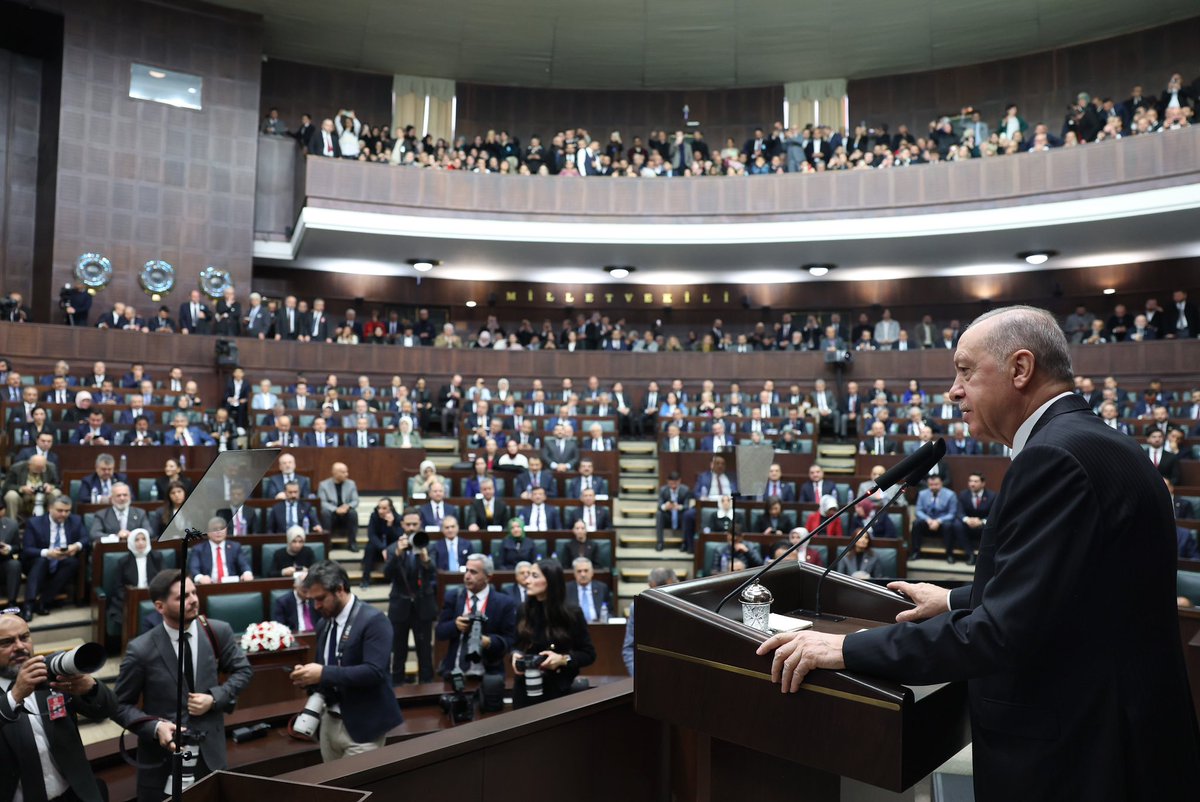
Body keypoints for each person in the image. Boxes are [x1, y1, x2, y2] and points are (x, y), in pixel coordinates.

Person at [758, 305, 1200, 802]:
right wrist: (952, 601)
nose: (953, 389)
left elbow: (1001, 634)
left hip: (1081, 756)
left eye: (966, 370)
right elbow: (1075, 590)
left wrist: (844, 648)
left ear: (1020, 369)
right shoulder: (1098, 442)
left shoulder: (1053, 459)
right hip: (1128, 736)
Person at [115, 570, 252, 801]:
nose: (193, 600)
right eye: (182, 597)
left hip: (210, 755)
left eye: (194, 592)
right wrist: (156, 727)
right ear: (160, 606)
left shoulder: (217, 631)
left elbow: (244, 670)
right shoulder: (141, 649)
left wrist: (215, 697)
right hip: (162, 760)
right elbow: (119, 705)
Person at [0, 611, 119, 802]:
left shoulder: (52, 674)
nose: (20, 647)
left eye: (24, 637)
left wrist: (91, 689)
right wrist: (15, 696)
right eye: (7, 642)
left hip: (75, 794)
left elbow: (106, 710)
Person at [290, 561, 401, 762]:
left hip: (363, 727)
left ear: (340, 589)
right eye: (312, 600)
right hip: (328, 722)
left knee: (358, 790)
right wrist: (308, 676)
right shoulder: (324, 623)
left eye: (321, 599)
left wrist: (323, 673)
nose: (316, 606)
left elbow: (375, 671)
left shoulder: (374, 620)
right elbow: (327, 667)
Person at [511, 559, 596, 707]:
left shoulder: (572, 613)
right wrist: (515, 654)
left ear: (550, 581)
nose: (527, 581)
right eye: (528, 575)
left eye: (534, 576)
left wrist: (562, 660)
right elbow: (515, 643)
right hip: (524, 688)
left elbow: (589, 654)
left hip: (558, 691)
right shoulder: (523, 610)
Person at [435, 553, 518, 679]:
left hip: (489, 675)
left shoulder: (504, 603)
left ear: (488, 577)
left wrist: (489, 642)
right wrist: (455, 625)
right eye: (466, 570)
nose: (467, 576)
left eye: (473, 572)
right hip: (455, 673)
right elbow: (439, 632)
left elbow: (511, 640)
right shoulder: (453, 597)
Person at [384, 508, 437, 684]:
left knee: (425, 653)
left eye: (415, 524)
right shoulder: (393, 548)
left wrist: (425, 559)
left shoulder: (428, 545)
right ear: (402, 525)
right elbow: (387, 574)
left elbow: (434, 575)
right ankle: (398, 691)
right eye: (408, 524)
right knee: (398, 652)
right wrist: (397, 555)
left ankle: (427, 690)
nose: (412, 527)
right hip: (400, 606)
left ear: (420, 524)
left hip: (423, 606)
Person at [21, 496, 87, 619]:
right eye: (60, 510)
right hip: (39, 561)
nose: (64, 514)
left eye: (67, 511)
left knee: (73, 563)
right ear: (50, 508)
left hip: (62, 560)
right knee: (41, 561)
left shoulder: (76, 520)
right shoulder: (34, 523)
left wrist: (76, 546)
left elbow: (85, 539)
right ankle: (28, 606)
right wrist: (48, 553)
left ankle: (43, 602)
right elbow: (27, 549)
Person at [623, 566, 678, 676]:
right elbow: (629, 649)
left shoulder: (688, 607)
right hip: (648, 671)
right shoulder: (638, 607)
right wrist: (638, 677)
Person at [108, 528, 163, 632]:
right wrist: (130, 598)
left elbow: (164, 581)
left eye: (143, 539)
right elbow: (118, 587)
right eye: (137, 540)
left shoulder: (157, 557)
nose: (141, 542)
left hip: (153, 598)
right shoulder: (123, 561)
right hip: (129, 599)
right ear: (131, 542)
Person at [188, 517, 253, 583]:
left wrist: (247, 573)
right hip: (209, 586)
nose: (218, 532)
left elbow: (244, 565)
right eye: (214, 529)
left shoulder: (235, 547)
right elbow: (194, 569)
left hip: (231, 585)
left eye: (222, 528)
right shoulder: (198, 549)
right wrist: (200, 578)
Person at [318, 462, 360, 553]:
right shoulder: (323, 485)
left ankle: (352, 543)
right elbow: (322, 502)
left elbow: (355, 501)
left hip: (345, 513)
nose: (347, 474)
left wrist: (347, 506)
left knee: (353, 513)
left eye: (347, 472)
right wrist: (335, 509)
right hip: (332, 514)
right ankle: (327, 543)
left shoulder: (351, 484)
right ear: (335, 473)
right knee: (324, 512)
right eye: (343, 472)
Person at [564, 557, 612, 622]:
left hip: (598, 627)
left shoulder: (602, 588)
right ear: (574, 574)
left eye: (586, 571)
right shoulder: (566, 589)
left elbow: (610, 612)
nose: (583, 574)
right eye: (579, 571)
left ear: (592, 572)